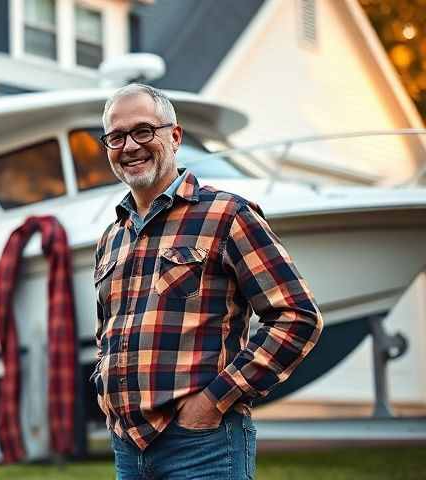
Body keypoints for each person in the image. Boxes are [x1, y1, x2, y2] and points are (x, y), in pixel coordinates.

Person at [91, 84, 323, 479]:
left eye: (143, 131)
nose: (129, 146)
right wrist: (105, 390)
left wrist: (214, 402)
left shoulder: (227, 215)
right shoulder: (112, 236)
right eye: (116, 136)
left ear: (175, 136)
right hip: (128, 450)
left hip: (203, 447)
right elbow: (107, 334)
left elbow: (297, 316)